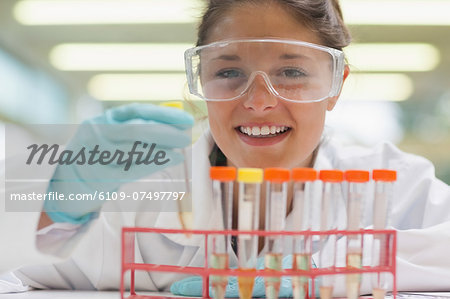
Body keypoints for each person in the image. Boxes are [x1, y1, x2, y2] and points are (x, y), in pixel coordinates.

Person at [1, 0, 450, 296]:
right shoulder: (138, 191)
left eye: (291, 73)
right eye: (228, 72)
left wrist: (321, 268)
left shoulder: (392, 183)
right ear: (202, 82)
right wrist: (57, 207)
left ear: (335, 85)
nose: (258, 101)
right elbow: (16, 269)